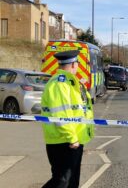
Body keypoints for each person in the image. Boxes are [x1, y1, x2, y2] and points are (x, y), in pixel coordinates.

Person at [41, 50, 94, 188]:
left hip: (74, 139)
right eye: (77, 64)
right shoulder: (60, 84)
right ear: (73, 65)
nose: (77, 66)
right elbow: (61, 114)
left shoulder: (70, 82)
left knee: (72, 180)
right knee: (62, 181)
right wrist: (72, 137)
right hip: (64, 141)